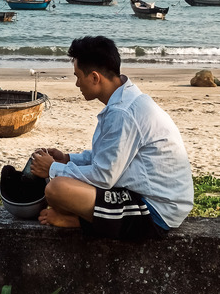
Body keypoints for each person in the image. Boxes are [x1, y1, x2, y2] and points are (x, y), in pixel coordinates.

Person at [28, 35, 193, 239]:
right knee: (60, 187)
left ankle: (79, 222)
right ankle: (84, 217)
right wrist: (68, 159)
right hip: (143, 195)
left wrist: (53, 168)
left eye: (78, 76)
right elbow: (107, 156)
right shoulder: (124, 101)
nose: (77, 84)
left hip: (156, 210)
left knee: (57, 189)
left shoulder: (123, 112)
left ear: (95, 77)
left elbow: (104, 176)